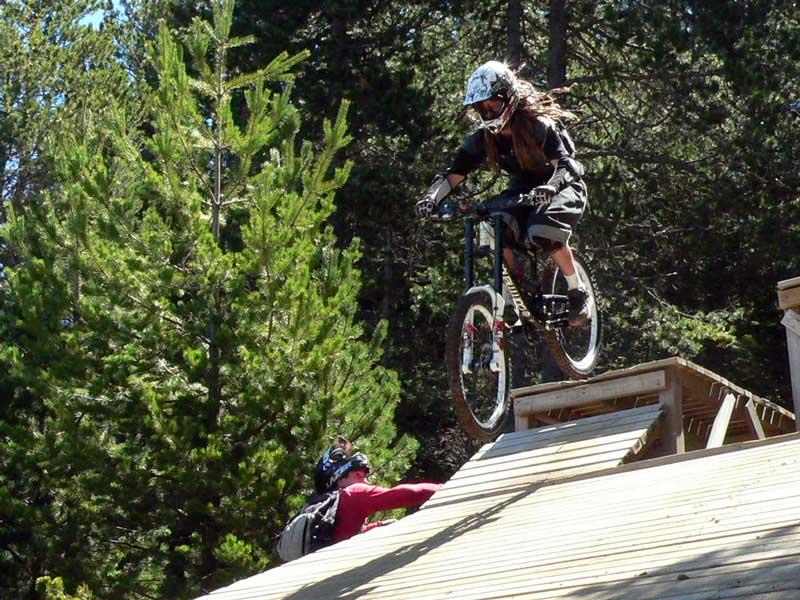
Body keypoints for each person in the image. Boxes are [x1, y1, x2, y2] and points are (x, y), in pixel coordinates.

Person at [416, 60, 592, 325]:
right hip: (523, 190)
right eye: (482, 108)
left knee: (543, 230)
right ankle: (515, 293)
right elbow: (454, 174)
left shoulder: (539, 126)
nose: (488, 112)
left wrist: (551, 187)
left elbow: (568, 165)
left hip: (562, 185)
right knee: (493, 225)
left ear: (508, 97)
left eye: (493, 105)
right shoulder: (483, 137)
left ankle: (577, 291)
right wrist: (432, 199)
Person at [314, 436, 443, 544]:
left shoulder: (324, 509)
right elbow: (403, 495)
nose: (365, 481)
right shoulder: (352, 494)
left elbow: (346, 536)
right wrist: (444, 489)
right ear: (339, 479)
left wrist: (378, 526)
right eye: (359, 475)